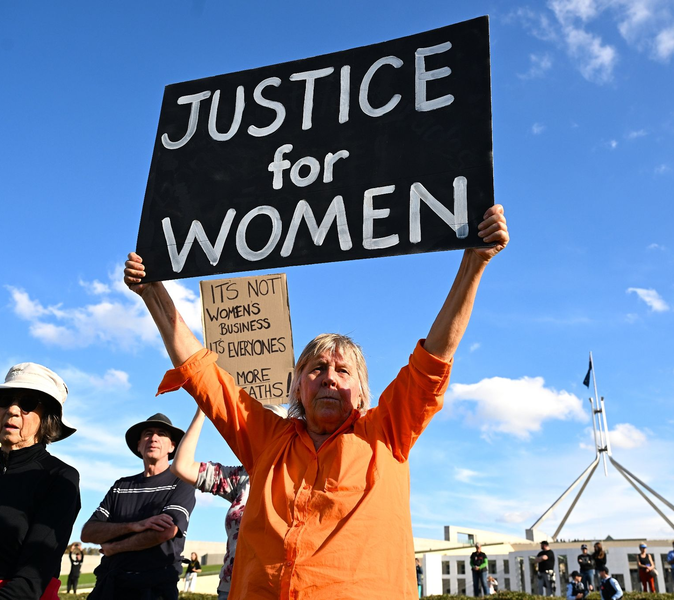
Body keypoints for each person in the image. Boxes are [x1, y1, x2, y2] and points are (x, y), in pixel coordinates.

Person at [124, 204, 509, 599]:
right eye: (317, 368)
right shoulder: (265, 437)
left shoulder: (387, 431)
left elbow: (434, 359)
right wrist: (152, 291)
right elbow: (200, 369)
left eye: (343, 372)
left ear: (361, 393)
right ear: (297, 388)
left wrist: (474, 263)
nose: (329, 377)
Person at [0, 362, 81, 599]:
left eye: (27, 404)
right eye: (5, 400)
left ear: (47, 418)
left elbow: (31, 580)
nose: (12, 410)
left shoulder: (59, 477)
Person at [170, 405, 285, 600]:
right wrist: (202, 411)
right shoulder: (240, 478)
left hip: (276, 590)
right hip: (231, 588)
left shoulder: (303, 476)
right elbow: (182, 466)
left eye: (271, 425)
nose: (262, 432)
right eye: (257, 426)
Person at [81, 413, 196, 600]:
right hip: (109, 586)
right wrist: (135, 525)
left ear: (172, 446)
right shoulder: (121, 486)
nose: (154, 438)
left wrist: (115, 547)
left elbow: (165, 532)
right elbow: (88, 532)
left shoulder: (181, 483)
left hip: (155, 589)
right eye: (148, 433)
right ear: (139, 445)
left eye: (162, 434)